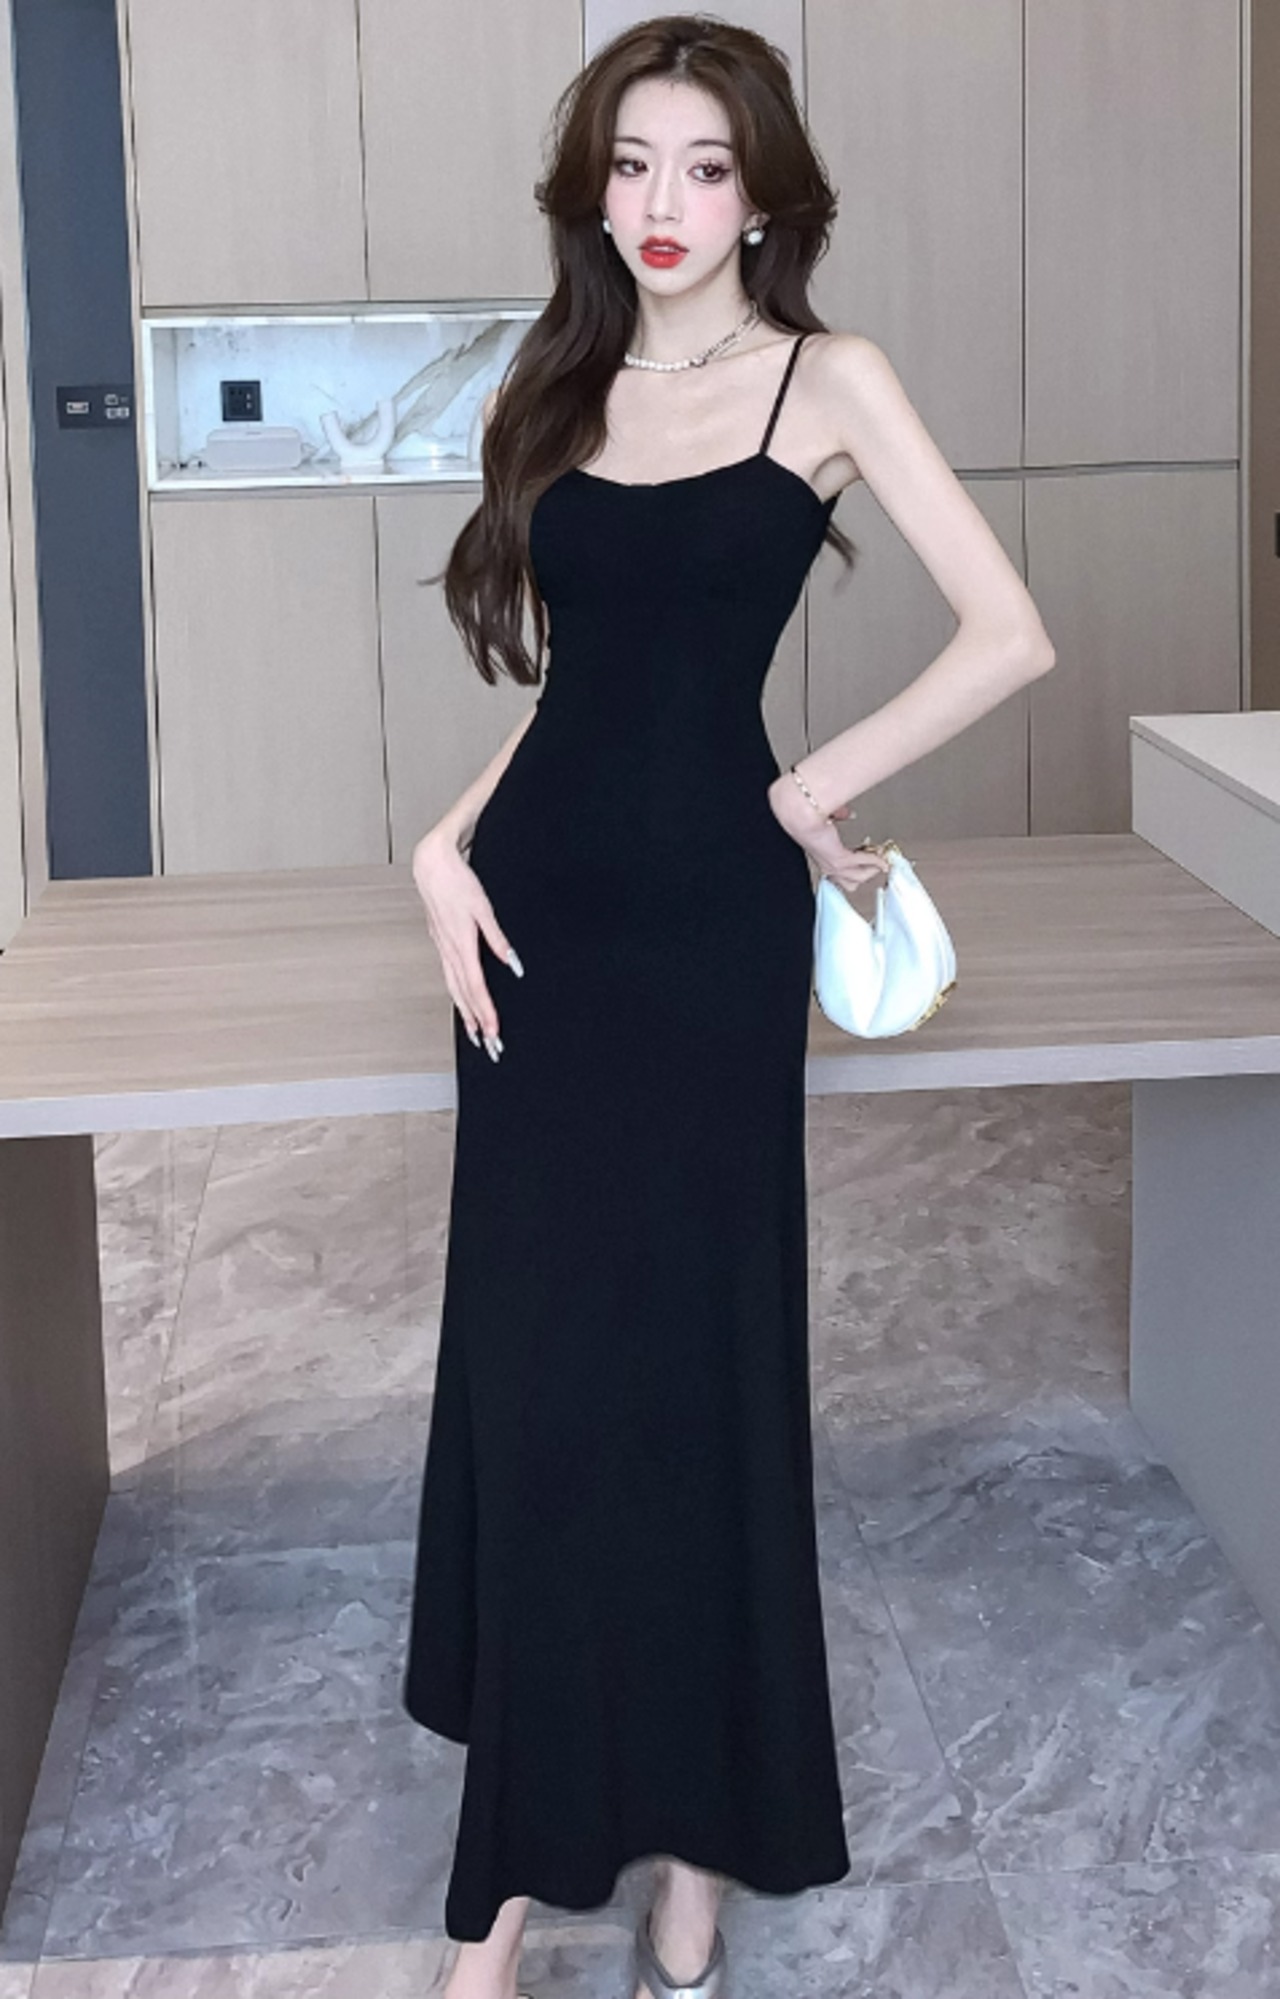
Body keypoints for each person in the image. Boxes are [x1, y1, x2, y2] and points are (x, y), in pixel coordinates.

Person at [402, 15, 1056, 1999]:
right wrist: (441, 844)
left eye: (702, 165)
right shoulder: (563, 376)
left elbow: (1010, 631)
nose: (663, 202)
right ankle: (511, 1892)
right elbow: (579, 693)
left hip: (706, 938)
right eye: (631, 163)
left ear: (762, 192)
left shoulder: (826, 378)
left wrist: (811, 785)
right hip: (536, 928)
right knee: (537, 1383)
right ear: (592, 189)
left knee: (695, 1378)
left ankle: (695, 1850)